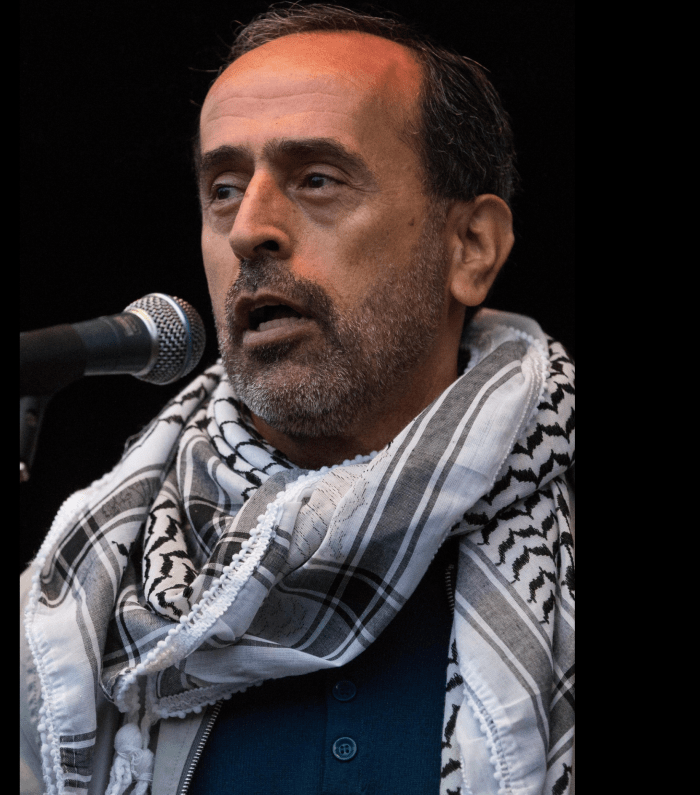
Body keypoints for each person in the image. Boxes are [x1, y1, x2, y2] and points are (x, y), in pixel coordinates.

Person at [20, 5, 574, 794]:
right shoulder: (78, 606)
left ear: (471, 247)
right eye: (223, 189)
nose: (250, 228)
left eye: (317, 179)